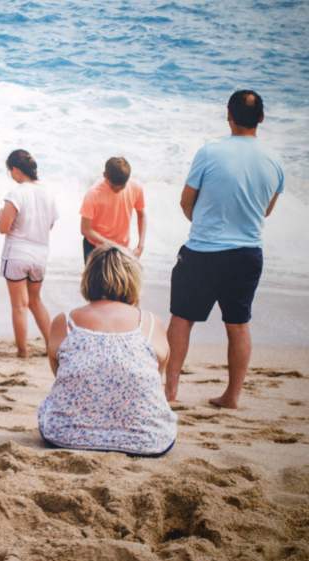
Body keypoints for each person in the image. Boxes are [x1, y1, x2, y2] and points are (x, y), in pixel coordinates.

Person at [165, 90, 284, 409]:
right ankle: (232, 396)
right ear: (261, 117)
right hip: (247, 253)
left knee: (182, 318)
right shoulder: (274, 159)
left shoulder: (209, 152)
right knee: (238, 323)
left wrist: (202, 222)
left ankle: (171, 391)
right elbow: (267, 210)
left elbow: (186, 201)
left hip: (203, 250)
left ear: (228, 115)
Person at [39, 245, 177, 456]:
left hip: (66, 434)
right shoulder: (150, 323)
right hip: (146, 438)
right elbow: (156, 374)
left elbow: (59, 372)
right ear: (133, 280)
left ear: (88, 278)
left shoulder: (65, 322)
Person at [0, 149, 58, 358]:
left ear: (15, 170)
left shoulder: (16, 193)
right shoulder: (48, 192)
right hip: (40, 253)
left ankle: (23, 351)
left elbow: (4, 227)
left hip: (17, 253)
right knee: (35, 300)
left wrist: (0, 217)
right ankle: (52, 345)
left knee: (19, 305)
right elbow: (48, 224)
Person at [80, 157, 146, 262]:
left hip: (121, 248)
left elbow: (141, 215)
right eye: (114, 186)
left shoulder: (136, 188)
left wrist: (140, 246)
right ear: (105, 175)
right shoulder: (93, 194)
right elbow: (85, 229)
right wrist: (111, 245)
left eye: (122, 186)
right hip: (95, 247)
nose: (118, 189)